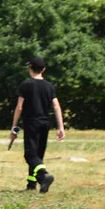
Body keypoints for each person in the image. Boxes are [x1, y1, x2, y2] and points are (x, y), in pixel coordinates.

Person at [10, 56, 65, 193]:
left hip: (31, 123)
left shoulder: (26, 85)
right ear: (44, 70)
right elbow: (56, 106)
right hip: (45, 123)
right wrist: (61, 127)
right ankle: (31, 184)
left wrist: (14, 127)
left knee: (30, 155)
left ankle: (43, 176)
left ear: (30, 69)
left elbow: (20, 107)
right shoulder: (49, 86)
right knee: (38, 155)